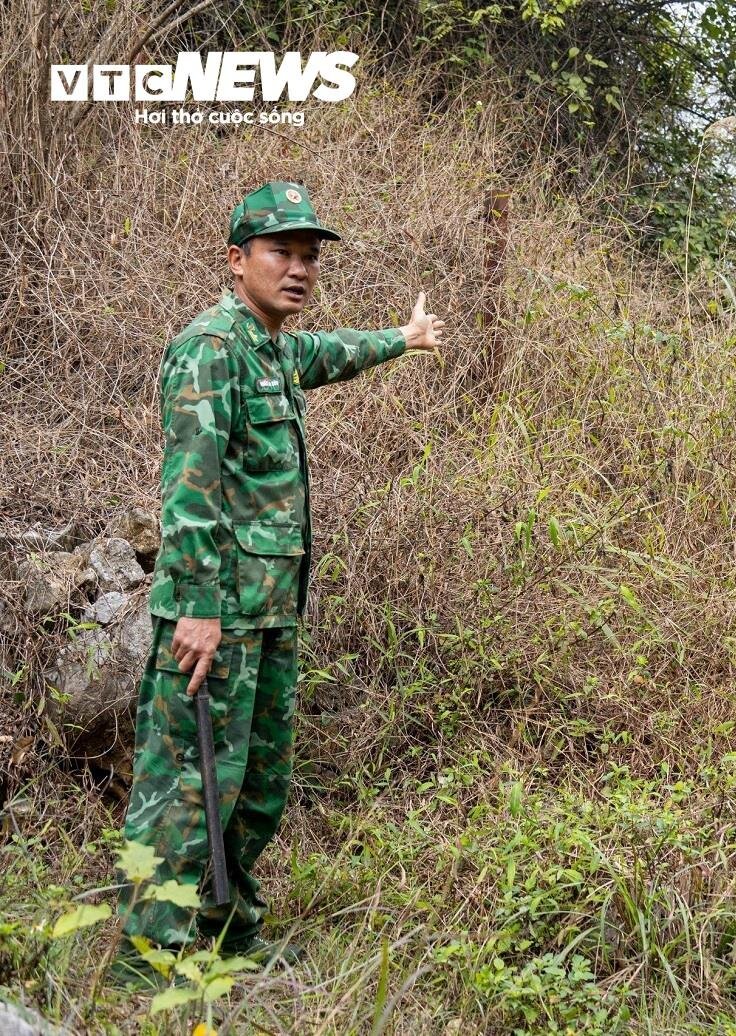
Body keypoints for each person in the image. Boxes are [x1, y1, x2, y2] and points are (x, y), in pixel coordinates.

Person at [109, 180, 445, 985]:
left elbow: (329, 353)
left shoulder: (271, 347)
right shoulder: (209, 347)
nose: (297, 269)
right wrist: (194, 609)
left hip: (269, 614)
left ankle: (226, 932)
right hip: (214, 615)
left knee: (255, 784)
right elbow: (188, 492)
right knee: (188, 784)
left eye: (307, 257)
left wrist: (403, 336)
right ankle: (146, 953)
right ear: (236, 260)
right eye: (279, 253)